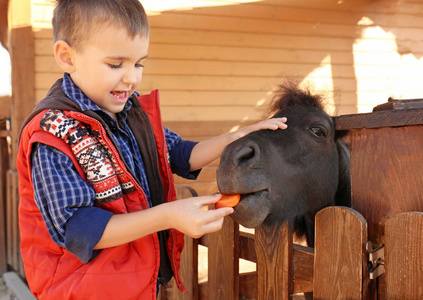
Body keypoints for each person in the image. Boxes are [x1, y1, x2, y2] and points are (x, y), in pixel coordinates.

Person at [16, 0, 287, 299]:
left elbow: (180, 154)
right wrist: (167, 216)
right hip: (80, 288)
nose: (132, 78)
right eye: (115, 64)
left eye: (139, 63)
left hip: (135, 282)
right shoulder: (52, 133)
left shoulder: (133, 114)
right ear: (67, 57)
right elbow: (79, 230)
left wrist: (237, 137)